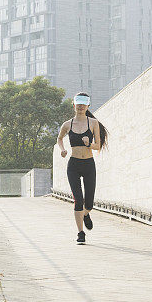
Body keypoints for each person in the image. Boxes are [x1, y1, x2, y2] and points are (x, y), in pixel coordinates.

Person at [57, 92, 108, 244]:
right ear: (74, 105)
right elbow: (59, 138)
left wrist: (89, 144)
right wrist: (62, 149)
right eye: (78, 103)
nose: (80, 106)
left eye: (83, 103)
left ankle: (85, 214)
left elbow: (97, 145)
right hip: (73, 165)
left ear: (88, 106)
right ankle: (80, 233)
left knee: (89, 203)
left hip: (88, 165)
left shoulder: (93, 123)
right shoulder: (67, 124)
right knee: (78, 199)